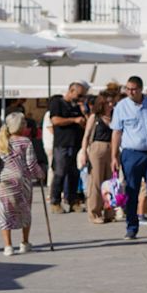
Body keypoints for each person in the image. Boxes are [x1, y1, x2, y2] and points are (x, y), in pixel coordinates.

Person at [111, 76, 147, 240]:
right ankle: (132, 227)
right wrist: (114, 156)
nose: (130, 92)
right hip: (131, 153)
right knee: (132, 190)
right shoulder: (121, 106)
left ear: (141, 89)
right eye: (128, 89)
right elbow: (116, 132)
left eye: (134, 89)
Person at [0, 112, 45, 255]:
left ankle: (8, 246)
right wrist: (40, 174)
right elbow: (31, 164)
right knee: (25, 210)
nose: (26, 125)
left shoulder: (1, 140)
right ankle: (24, 243)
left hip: (5, 180)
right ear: (18, 125)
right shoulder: (25, 141)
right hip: (23, 180)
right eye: (23, 123)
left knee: (5, 212)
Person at [49, 81, 89, 213]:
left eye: (82, 96)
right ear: (71, 91)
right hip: (62, 144)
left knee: (74, 173)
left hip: (75, 143)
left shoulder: (77, 106)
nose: (80, 98)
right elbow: (55, 120)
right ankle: (55, 201)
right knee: (60, 173)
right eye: (79, 95)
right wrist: (73, 120)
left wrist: (83, 113)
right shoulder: (58, 103)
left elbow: (85, 122)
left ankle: (72, 200)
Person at [82, 93, 115, 224]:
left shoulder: (114, 117)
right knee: (96, 181)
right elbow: (86, 136)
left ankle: (109, 211)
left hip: (112, 148)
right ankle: (94, 212)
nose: (111, 105)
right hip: (97, 147)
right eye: (108, 103)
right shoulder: (95, 117)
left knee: (110, 182)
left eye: (112, 102)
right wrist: (84, 152)